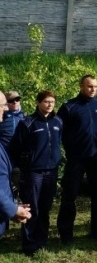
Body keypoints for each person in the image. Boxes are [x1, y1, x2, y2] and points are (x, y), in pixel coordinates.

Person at [57, 74, 97, 242]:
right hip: (77, 158)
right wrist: (70, 149)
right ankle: (66, 234)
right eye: (89, 86)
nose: (93, 89)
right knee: (70, 195)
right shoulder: (69, 107)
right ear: (81, 86)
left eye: (95, 86)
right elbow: (61, 131)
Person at [9, 91, 60, 255]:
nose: (50, 105)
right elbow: (16, 147)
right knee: (33, 208)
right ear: (38, 103)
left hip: (51, 171)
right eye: (46, 101)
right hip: (33, 173)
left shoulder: (58, 122)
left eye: (52, 102)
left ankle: (42, 241)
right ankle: (29, 245)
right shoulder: (28, 123)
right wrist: (24, 166)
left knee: (45, 208)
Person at [0, 91, 32, 239]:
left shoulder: (26, 119)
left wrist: (13, 210)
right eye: (4, 104)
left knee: (16, 190)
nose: (7, 108)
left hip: (18, 163)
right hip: (7, 160)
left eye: (17, 100)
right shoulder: (4, 120)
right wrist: (13, 209)